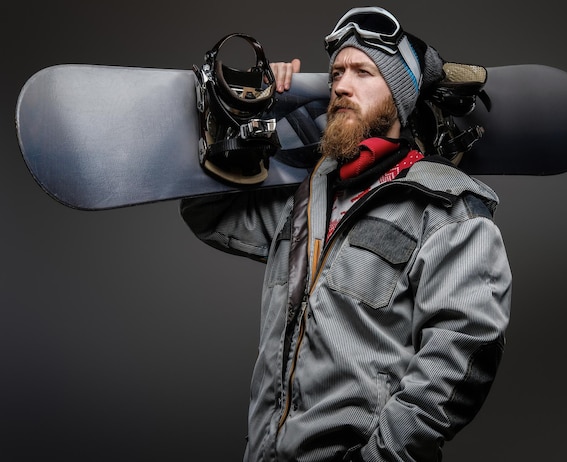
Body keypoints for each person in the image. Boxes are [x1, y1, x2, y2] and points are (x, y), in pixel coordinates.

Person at [180, 6, 512, 461]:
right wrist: (258, 105)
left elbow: (463, 355)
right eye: (336, 73)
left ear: (400, 94)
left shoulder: (448, 210)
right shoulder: (305, 200)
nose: (340, 85)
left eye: (362, 72)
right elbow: (206, 211)